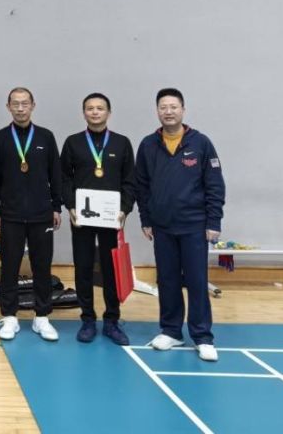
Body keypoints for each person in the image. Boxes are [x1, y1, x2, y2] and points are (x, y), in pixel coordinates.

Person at [136, 88, 225, 362]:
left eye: (173, 107)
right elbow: (141, 186)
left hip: (194, 226)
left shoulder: (201, 143)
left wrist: (214, 221)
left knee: (197, 281)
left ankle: (202, 336)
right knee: (168, 280)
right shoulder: (148, 145)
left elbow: (215, 184)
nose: (168, 112)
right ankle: (171, 331)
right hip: (162, 227)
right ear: (157, 111)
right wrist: (146, 219)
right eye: (163, 107)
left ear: (183, 110)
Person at [60, 93, 136, 345]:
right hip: (82, 217)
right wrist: (70, 206)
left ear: (108, 113)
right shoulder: (73, 143)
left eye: (100, 108)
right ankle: (88, 319)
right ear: (84, 113)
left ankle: (112, 320)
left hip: (111, 217)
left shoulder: (122, 143)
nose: (95, 112)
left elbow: (130, 180)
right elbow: (64, 178)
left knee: (110, 268)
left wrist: (124, 209)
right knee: (83, 267)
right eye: (90, 108)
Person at [0, 87, 62, 342]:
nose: (20, 108)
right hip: (10, 214)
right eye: (15, 104)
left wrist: (56, 207)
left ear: (33, 105)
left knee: (42, 266)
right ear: (8, 107)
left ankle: (42, 317)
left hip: (42, 214)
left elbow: (55, 174)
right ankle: (9, 316)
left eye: (25, 103)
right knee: (9, 266)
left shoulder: (46, 137)